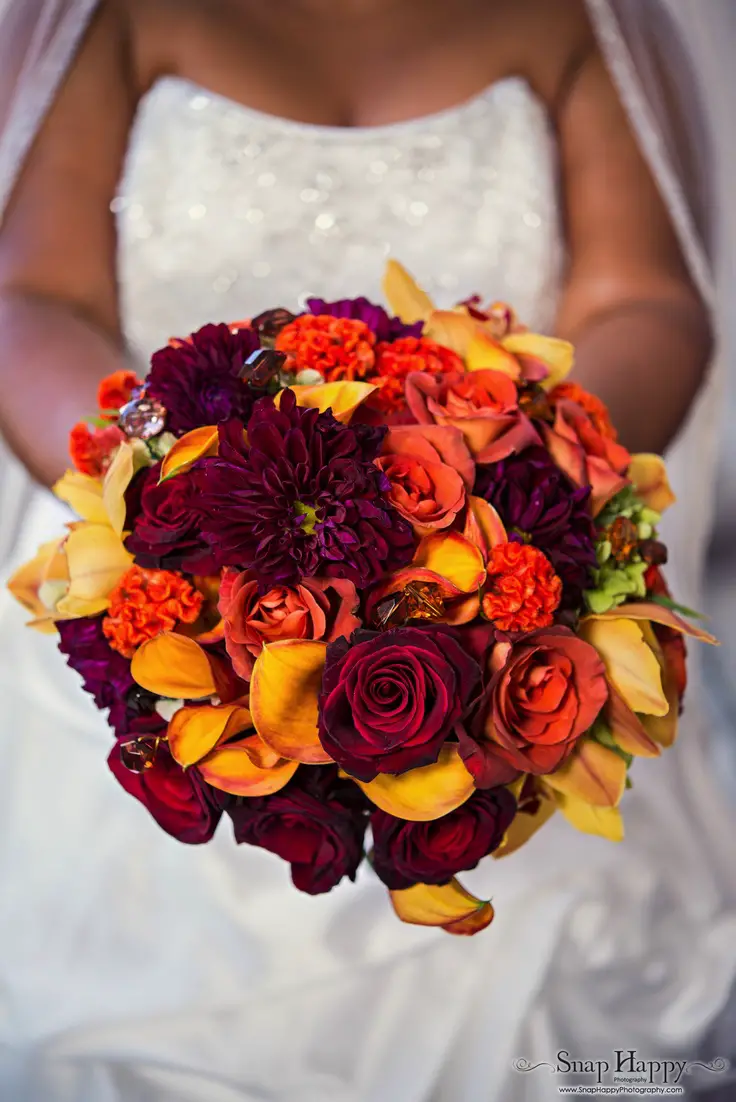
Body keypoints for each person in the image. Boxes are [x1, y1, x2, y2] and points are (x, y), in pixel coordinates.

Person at [0, 2, 733, 1099]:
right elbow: (31, 296)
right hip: (155, 580)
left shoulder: (570, 14)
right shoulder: (116, 13)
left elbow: (644, 297)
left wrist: (510, 483)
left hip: (507, 568)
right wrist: (162, 501)